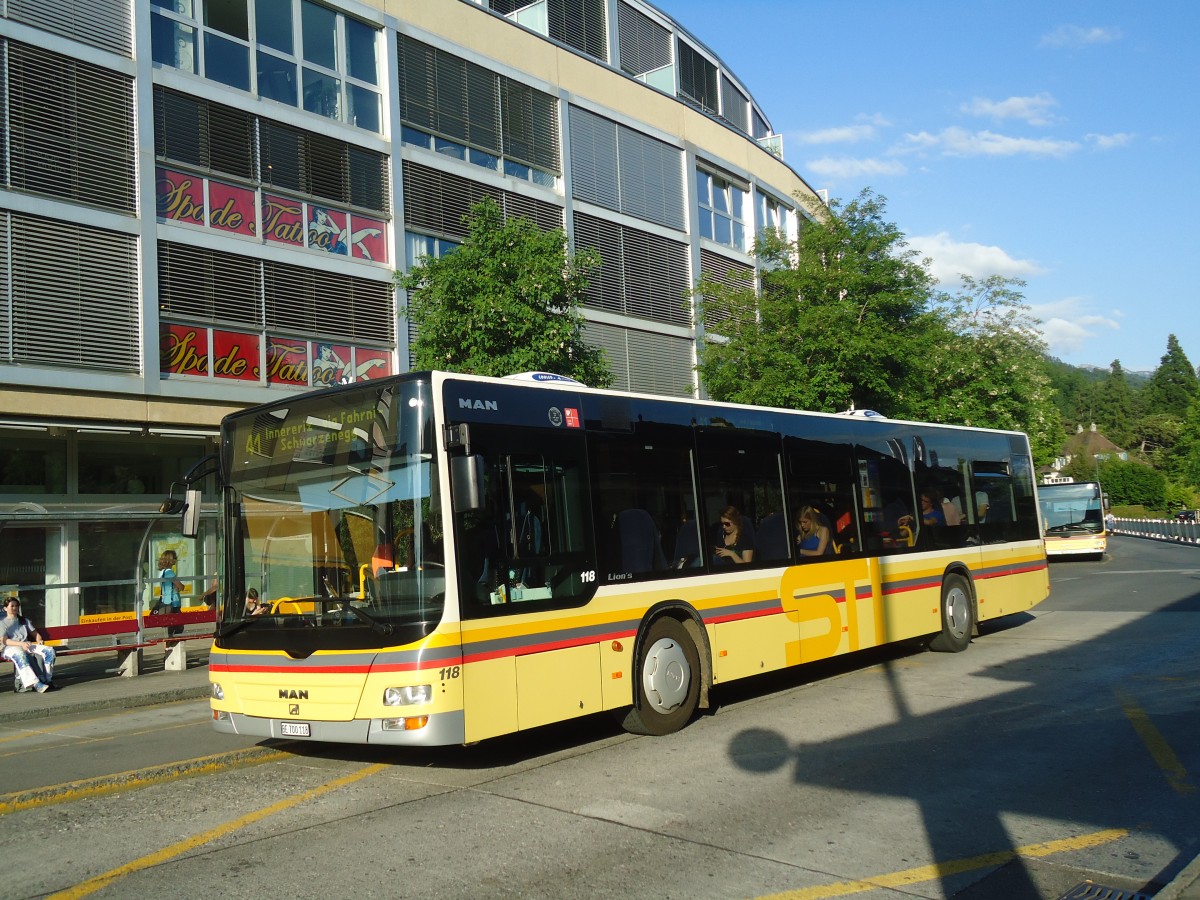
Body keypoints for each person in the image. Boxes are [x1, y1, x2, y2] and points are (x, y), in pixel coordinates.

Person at [2, 596, 56, 693]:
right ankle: (35, 683)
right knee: (21, 655)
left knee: (49, 651)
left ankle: (47, 680)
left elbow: (35, 634)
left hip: (26, 645)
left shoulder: (23, 620)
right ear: (5, 608)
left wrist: (39, 640)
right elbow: (4, 640)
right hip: (10, 647)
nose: (14, 608)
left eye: (16, 606)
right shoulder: (2, 623)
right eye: (12, 606)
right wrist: (20, 644)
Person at [154, 549, 184, 638]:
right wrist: (181, 587)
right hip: (173, 602)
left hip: (165, 601)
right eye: (174, 558)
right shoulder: (169, 572)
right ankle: (171, 646)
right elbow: (180, 586)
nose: (176, 560)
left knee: (170, 628)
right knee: (178, 627)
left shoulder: (162, 572)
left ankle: (168, 646)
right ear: (170, 559)